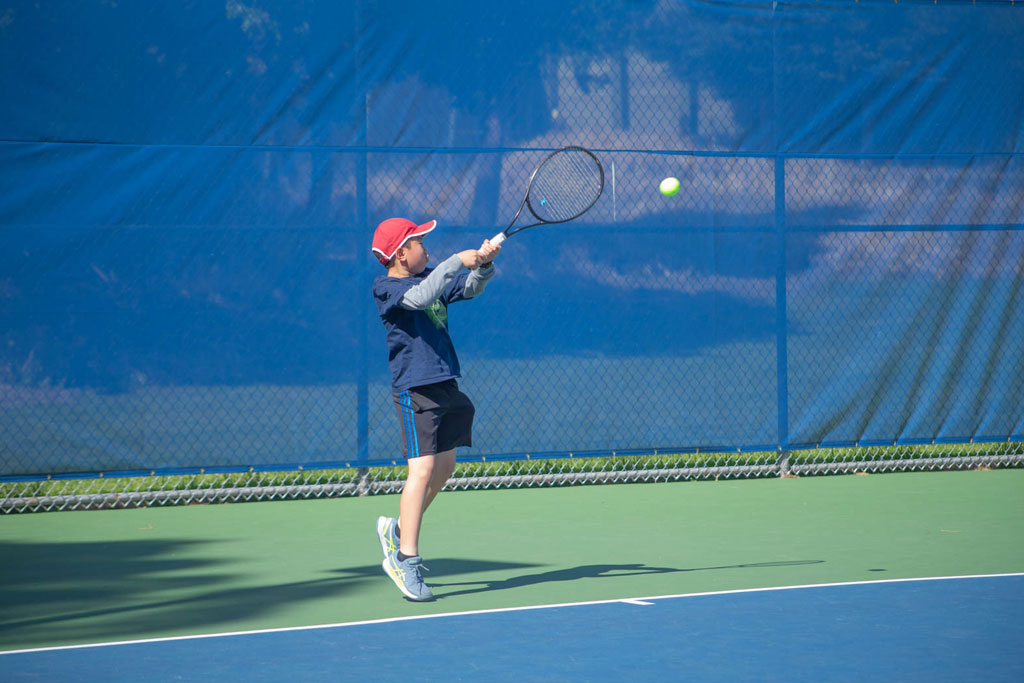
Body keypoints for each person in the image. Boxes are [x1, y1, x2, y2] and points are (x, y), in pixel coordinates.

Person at [370, 217, 501, 601]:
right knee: (422, 469)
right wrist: (457, 260)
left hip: (445, 382)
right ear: (400, 254)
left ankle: (397, 529)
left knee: (444, 469)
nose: (427, 249)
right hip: (415, 390)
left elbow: (469, 288)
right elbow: (421, 298)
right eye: (420, 243)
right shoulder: (387, 288)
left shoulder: (431, 275)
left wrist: (484, 265)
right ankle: (405, 559)